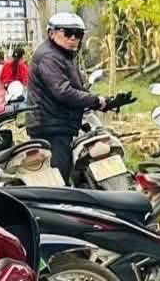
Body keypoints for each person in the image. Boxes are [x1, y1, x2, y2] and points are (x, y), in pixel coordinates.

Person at [27, 13, 114, 184]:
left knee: (68, 171)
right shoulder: (49, 57)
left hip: (60, 123)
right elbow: (63, 92)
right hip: (50, 126)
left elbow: (76, 87)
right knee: (59, 179)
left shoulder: (64, 54)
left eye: (78, 34)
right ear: (51, 33)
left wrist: (105, 102)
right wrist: (95, 101)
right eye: (67, 33)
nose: (73, 38)